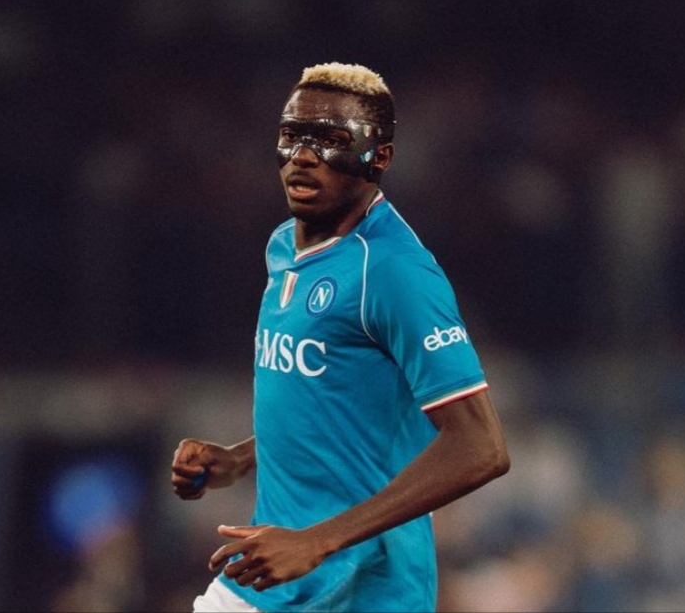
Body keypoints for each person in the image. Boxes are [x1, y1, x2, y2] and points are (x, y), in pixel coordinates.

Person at [171, 62, 510, 613]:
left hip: (360, 593)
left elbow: (481, 447)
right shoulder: (283, 246)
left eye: (331, 140)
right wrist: (239, 459)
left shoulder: (395, 271)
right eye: (292, 135)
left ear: (380, 156)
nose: (303, 156)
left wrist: (317, 541)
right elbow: (336, 402)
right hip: (264, 579)